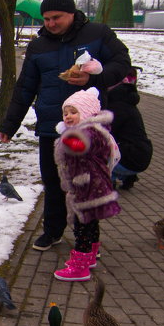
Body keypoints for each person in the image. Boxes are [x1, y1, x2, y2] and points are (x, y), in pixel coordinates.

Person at [0, 0, 132, 250]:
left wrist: (93, 79)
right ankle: (53, 230)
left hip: (87, 130)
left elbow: (122, 62)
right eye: (46, 19)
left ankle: (89, 242)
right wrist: (9, 125)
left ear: (72, 13)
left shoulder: (97, 34)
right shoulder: (38, 46)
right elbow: (25, 87)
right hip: (50, 126)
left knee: (87, 184)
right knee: (52, 181)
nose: (50, 24)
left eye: (56, 17)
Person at [51, 89, 120, 282]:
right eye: (65, 113)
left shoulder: (88, 132)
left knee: (82, 223)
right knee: (90, 219)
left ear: (87, 113)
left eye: (74, 112)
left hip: (87, 185)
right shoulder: (92, 130)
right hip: (91, 183)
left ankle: (80, 266)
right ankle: (90, 253)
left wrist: (68, 140)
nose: (68, 116)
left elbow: (82, 145)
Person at [102, 67, 152, 189]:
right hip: (140, 154)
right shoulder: (126, 101)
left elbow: (105, 133)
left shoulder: (116, 106)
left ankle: (109, 179)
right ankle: (128, 176)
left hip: (131, 157)